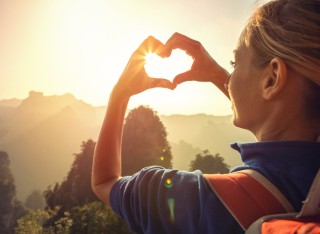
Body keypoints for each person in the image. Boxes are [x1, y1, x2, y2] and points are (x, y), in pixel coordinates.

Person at [91, 0, 320, 233]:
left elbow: (104, 182)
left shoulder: (192, 200)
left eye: (236, 62)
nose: (230, 77)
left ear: (272, 79)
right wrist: (217, 74)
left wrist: (119, 94)